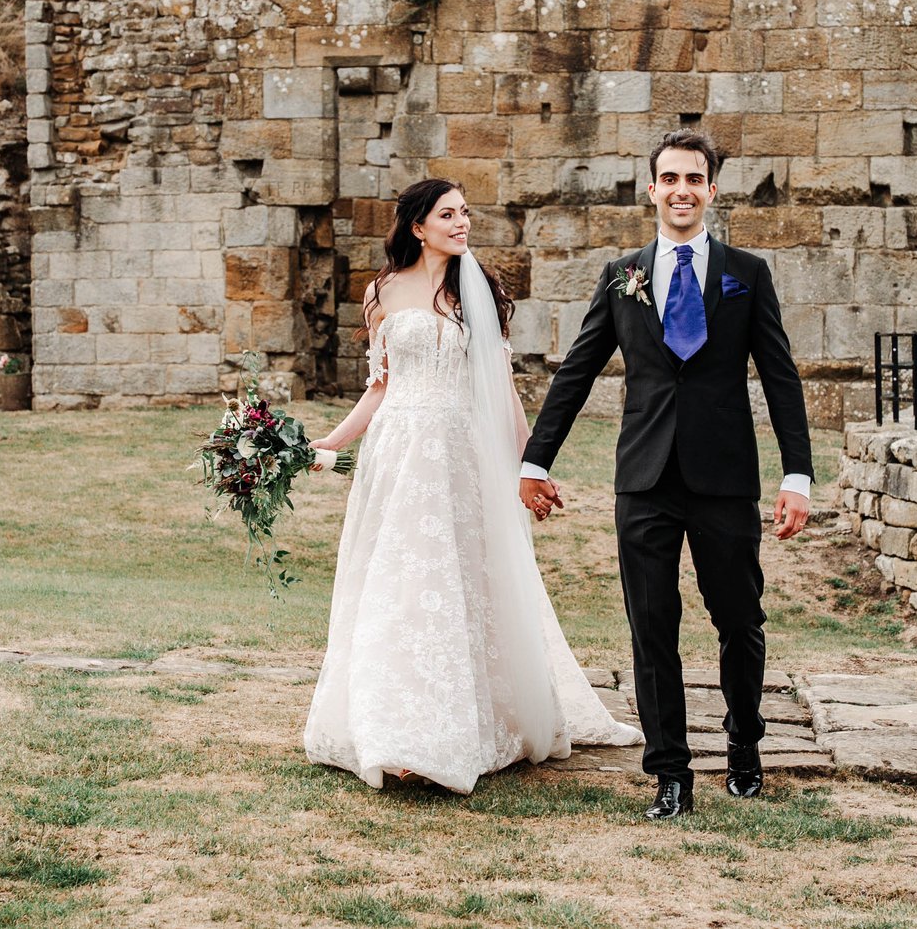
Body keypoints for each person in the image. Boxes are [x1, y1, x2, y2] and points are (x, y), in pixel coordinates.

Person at [301, 178, 639, 792]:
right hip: (397, 455)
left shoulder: (476, 291)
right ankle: (394, 728)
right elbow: (379, 388)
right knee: (396, 582)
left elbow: (502, 389)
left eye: (465, 213)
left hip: (459, 455)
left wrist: (528, 465)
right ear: (417, 225)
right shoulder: (381, 291)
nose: (462, 223)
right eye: (448, 214)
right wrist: (329, 443)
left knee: (458, 581)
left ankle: (460, 724)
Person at [520, 130, 813, 820]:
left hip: (724, 478)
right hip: (644, 479)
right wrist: (535, 461)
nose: (682, 189)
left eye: (695, 178)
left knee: (738, 621)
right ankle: (671, 774)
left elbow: (780, 378)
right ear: (651, 189)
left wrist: (796, 474)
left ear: (711, 189)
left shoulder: (748, 273)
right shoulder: (623, 276)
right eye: (670, 178)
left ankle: (744, 748)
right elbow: (578, 372)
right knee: (651, 627)